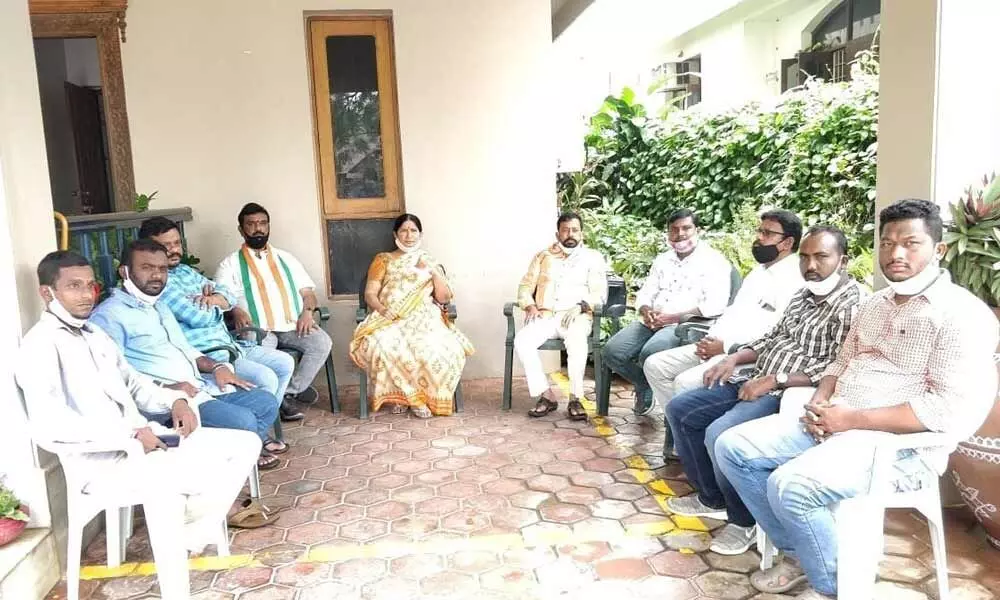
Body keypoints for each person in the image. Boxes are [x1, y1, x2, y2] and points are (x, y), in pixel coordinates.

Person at [716, 199, 998, 600]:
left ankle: (836, 587)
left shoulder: (962, 316)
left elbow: (945, 409)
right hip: (835, 423)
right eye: (886, 243)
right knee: (733, 448)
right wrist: (822, 401)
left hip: (896, 446)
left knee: (790, 485)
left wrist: (850, 420)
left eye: (910, 243)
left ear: (939, 250)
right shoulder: (874, 304)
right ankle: (804, 553)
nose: (895, 253)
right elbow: (839, 362)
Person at [15, 251, 261, 593]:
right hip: (102, 461)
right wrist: (128, 434)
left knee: (245, 443)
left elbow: (134, 383)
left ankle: (191, 533)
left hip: (146, 444)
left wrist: (175, 400)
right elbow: (50, 423)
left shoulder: (94, 336)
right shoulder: (41, 345)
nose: (87, 294)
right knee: (184, 483)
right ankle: (180, 572)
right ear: (48, 293)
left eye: (90, 285)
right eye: (74, 286)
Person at [664, 226, 864, 556]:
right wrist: (734, 357)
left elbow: (836, 364)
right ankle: (712, 498)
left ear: (843, 260)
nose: (811, 265)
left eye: (821, 257)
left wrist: (776, 380)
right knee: (681, 410)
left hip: (784, 393)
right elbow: (772, 337)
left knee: (719, 433)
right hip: (753, 377)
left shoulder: (851, 305)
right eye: (805, 257)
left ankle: (742, 523)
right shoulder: (804, 293)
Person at [89, 239, 287, 470]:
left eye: (162, 269)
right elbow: (115, 374)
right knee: (242, 421)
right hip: (163, 405)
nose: (156, 275)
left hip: (199, 390)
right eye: (147, 268)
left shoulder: (159, 305)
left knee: (265, 402)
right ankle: (224, 462)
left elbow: (187, 350)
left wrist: (216, 367)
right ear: (124, 271)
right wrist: (167, 389)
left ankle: (230, 457)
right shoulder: (109, 316)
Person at [643, 209, 804, 454]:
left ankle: (692, 444)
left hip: (744, 356)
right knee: (655, 365)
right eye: (759, 231)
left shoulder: (794, 281)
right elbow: (733, 312)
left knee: (684, 382)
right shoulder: (758, 272)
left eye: (767, 233)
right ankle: (685, 434)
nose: (759, 237)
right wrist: (711, 338)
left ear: (788, 242)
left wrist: (725, 346)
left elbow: (775, 333)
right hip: (714, 343)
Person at [138, 216, 302, 423]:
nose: (174, 249)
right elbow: (198, 317)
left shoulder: (186, 272)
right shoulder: (162, 282)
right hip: (209, 355)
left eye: (177, 243)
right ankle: (256, 430)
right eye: (166, 245)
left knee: (284, 363)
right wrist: (219, 305)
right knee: (265, 377)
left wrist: (214, 299)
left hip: (231, 345)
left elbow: (228, 294)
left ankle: (262, 426)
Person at [602, 209, 732, 416]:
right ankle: (645, 385)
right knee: (612, 352)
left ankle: (666, 404)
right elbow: (647, 292)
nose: (680, 234)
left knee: (650, 352)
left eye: (686, 228)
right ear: (668, 233)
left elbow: (715, 305)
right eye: (674, 230)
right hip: (652, 321)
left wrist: (671, 318)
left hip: (682, 325)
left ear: (697, 230)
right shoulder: (663, 260)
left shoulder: (714, 262)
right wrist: (646, 311)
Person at [349, 214, 474, 418]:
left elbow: (443, 298)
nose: (408, 235)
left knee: (437, 348)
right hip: (390, 316)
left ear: (420, 234)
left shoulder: (430, 260)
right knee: (382, 345)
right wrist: (382, 309)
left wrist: (433, 272)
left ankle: (418, 399)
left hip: (425, 317)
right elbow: (370, 294)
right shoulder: (383, 260)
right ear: (395, 234)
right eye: (404, 230)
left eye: (413, 230)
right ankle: (404, 397)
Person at [215, 203, 333, 408]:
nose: (257, 228)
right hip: (258, 328)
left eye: (262, 223)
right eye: (251, 224)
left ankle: (287, 394)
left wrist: (307, 313)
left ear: (269, 226)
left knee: (321, 343)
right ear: (241, 229)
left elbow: (308, 293)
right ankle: (274, 401)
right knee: (265, 358)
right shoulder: (230, 264)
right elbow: (222, 297)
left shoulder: (286, 258)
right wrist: (236, 310)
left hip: (292, 325)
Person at [517, 211, 607, 421]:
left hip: (576, 315)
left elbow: (600, 293)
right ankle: (546, 395)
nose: (570, 234)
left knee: (576, 341)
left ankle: (575, 398)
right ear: (558, 234)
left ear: (581, 233)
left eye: (574, 230)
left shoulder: (593, 258)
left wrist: (582, 306)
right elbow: (525, 285)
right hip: (546, 316)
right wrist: (529, 305)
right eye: (565, 230)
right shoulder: (543, 256)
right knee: (523, 340)